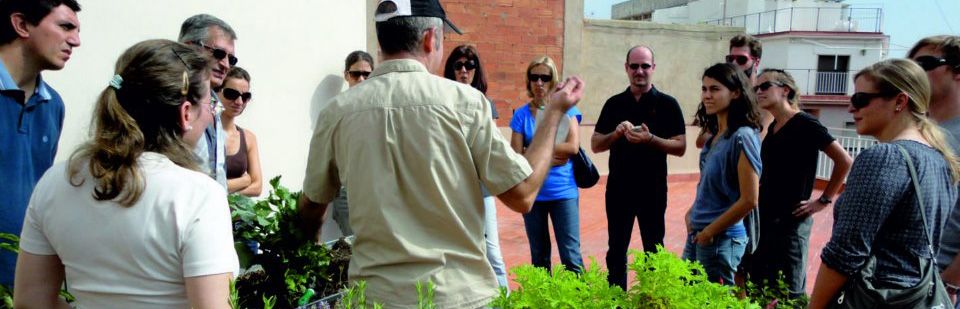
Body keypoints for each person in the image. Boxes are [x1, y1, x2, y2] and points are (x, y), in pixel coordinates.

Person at [298, 0, 585, 307]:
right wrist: (554, 112)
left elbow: (311, 208)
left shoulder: (337, 112)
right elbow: (523, 194)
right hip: (458, 296)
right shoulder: (466, 103)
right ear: (430, 39)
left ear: (381, 40)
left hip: (376, 298)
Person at [14, 39, 239, 309]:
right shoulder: (199, 195)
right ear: (186, 113)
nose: (211, 115)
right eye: (211, 106)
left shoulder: (56, 181)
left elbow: (30, 302)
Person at [809, 58, 960, 308]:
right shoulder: (940, 160)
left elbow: (845, 253)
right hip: (916, 296)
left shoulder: (885, 157)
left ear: (900, 101)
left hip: (877, 296)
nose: (851, 108)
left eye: (860, 99)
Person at [746, 68, 852, 298]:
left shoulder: (805, 123)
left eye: (765, 86)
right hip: (767, 219)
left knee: (790, 289)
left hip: (792, 222)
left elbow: (844, 160)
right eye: (756, 88)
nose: (758, 92)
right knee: (761, 284)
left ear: (785, 90)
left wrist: (823, 200)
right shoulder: (773, 128)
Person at [0, 0, 80, 287]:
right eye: (65, 26)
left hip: (21, 274)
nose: (76, 40)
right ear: (21, 25)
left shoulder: (53, 105)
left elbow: (39, 191)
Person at [592, 45, 686, 289]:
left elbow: (681, 147)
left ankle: (652, 300)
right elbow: (595, 145)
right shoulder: (614, 104)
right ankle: (616, 301)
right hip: (618, 190)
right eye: (634, 66)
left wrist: (651, 139)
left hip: (652, 191)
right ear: (626, 68)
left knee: (654, 250)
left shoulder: (668, 104)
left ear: (653, 68)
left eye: (645, 66)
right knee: (616, 251)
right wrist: (616, 133)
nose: (640, 71)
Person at [684, 63, 762, 285]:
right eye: (704, 89)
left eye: (715, 89)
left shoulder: (743, 136)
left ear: (736, 92)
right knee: (689, 295)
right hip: (700, 233)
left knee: (714, 302)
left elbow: (749, 199)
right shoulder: (715, 137)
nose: (707, 95)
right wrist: (691, 214)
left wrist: (709, 232)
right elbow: (711, 186)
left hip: (720, 238)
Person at [443, 44, 509, 289]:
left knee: (492, 252)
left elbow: (491, 146)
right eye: (458, 65)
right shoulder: (442, 100)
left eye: (469, 65)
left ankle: (504, 302)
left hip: (480, 188)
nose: (463, 70)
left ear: (476, 70)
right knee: (454, 251)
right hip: (450, 186)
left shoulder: (484, 103)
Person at [510, 55, 584, 274]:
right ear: (528, 81)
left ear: (553, 80)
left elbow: (572, 147)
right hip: (533, 193)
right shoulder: (522, 115)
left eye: (545, 77)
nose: (539, 83)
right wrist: (550, 155)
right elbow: (515, 155)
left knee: (571, 258)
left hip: (563, 192)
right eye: (534, 77)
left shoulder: (566, 110)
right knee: (539, 258)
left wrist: (532, 152)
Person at [908, 35, 960, 305]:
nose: (913, 72)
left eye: (924, 64)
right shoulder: (918, 133)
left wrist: (950, 281)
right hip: (906, 279)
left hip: (942, 283)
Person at [178, 14, 239, 189]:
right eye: (219, 53)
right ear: (188, 47)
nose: (226, 64)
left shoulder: (216, 105)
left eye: (232, 59)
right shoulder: (169, 100)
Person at [327, 50, 375, 237]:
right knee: (354, 244)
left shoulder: (379, 106)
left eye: (366, 74)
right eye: (356, 74)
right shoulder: (337, 108)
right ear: (347, 75)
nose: (361, 79)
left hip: (375, 188)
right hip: (346, 188)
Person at [696, 34, 764, 148]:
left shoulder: (763, 95)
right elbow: (701, 140)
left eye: (742, 59)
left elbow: (757, 140)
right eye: (730, 59)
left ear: (756, 63)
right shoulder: (726, 95)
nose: (734, 64)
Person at [220, 66, 261, 197]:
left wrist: (226, 196)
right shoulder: (204, 134)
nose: (239, 101)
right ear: (217, 91)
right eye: (232, 94)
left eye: (245, 97)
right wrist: (243, 181)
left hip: (239, 216)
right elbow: (203, 185)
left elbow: (257, 186)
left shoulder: (248, 138)